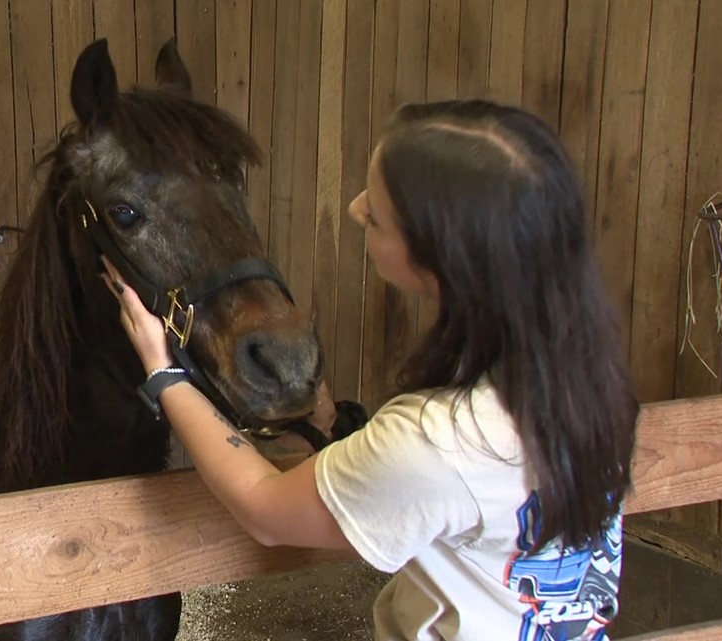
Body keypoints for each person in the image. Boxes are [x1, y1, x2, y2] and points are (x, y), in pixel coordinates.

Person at [101, 99, 639, 641]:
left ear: (438, 252)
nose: (356, 208)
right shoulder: (593, 387)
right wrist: (338, 435)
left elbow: (262, 509)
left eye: (377, 212)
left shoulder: (441, 439)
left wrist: (163, 370)